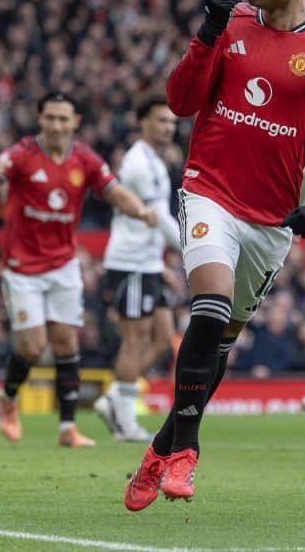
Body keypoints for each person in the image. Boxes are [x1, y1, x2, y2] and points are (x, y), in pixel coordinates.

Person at [124, 0, 305, 509]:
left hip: (272, 219)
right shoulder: (231, 21)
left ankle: (159, 449)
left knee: (217, 346)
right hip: (209, 189)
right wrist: (206, 32)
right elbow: (181, 102)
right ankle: (187, 449)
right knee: (207, 308)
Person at [0, 92, 158, 448]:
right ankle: (7, 399)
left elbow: (115, 192)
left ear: (75, 122)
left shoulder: (84, 159)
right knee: (33, 346)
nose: (56, 125)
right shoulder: (21, 154)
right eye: (50, 118)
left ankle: (67, 428)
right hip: (23, 267)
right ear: (40, 120)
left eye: (63, 119)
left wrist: (143, 212)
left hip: (64, 265)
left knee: (67, 342)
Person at [94, 96, 181, 442]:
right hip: (130, 262)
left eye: (172, 123)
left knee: (162, 340)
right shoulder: (138, 164)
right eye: (161, 121)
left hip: (147, 262)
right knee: (135, 341)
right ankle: (126, 424)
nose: (168, 128)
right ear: (143, 122)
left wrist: (160, 264)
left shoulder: (155, 162)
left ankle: (114, 399)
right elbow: (159, 219)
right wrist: (192, 252)